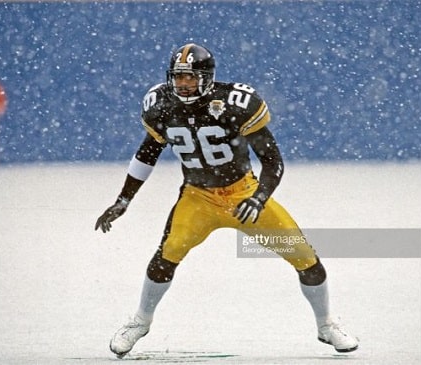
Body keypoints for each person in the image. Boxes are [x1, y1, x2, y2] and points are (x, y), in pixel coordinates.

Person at [95, 43, 359, 358]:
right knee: (164, 258)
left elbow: (272, 160)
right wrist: (123, 200)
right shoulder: (161, 105)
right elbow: (148, 152)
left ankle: (326, 324)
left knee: (306, 259)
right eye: (178, 78)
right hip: (197, 197)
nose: (183, 84)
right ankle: (140, 321)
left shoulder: (236, 103)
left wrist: (260, 198)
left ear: (207, 77)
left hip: (242, 193)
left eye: (190, 77)